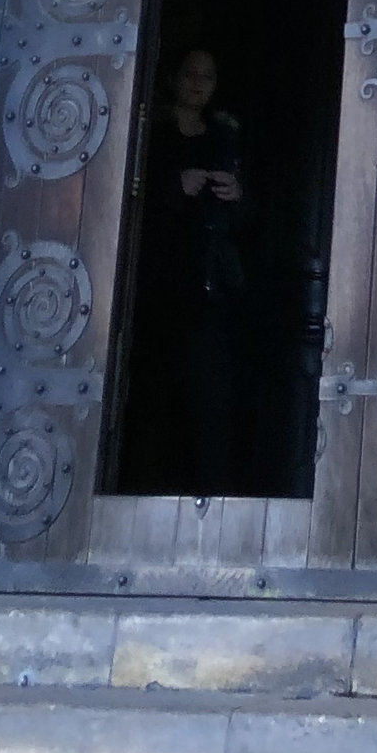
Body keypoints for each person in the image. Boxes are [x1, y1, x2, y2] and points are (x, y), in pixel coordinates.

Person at [155, 45, 248, 489]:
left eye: (207, 76)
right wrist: (175, 187)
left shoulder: (224, 137)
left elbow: (246, 222)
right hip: (160, 286)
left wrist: (238, 194)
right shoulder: (152, 132)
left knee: (211, 398)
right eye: (189, 73)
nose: (197, 83)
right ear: (173, 78)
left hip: (211, 287)